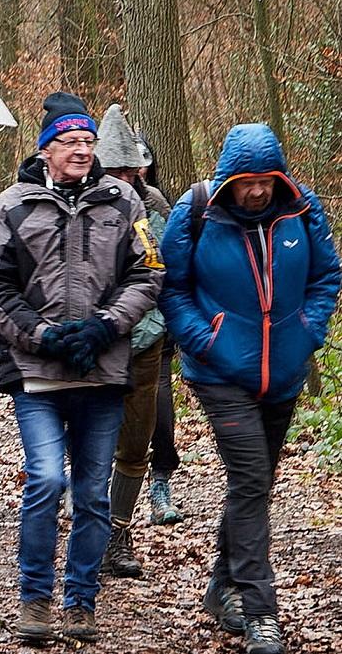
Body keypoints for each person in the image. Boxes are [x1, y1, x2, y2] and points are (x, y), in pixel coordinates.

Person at [0, 92, 163, 645]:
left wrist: (107, 325)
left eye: (87, 141)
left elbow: (149, 273)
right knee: (46, 480)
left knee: (93, 493)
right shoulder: (12, 204)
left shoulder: (124, 201)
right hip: (38, 373)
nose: (81, 150)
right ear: (46, 150)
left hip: (102, 372)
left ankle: (81, 601)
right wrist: (42, 335)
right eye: (70, 142)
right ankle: (34, 599)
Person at [160, 123, 339, 654]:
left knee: (253, 487)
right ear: (227, 180)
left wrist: (309, 330)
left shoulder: (302, 210)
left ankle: (220, 585)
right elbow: (172, 287)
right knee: (250, 476)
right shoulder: (196, 214)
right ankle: (261, 611)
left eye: (265, 180)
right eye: (245, 181)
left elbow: (327, 276)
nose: (256, 190)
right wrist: (205, 341)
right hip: (221, 373)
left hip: (282, 372)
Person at [91, 105, 170, 579]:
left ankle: (118, 533)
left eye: (128, 169)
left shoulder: (154, 205)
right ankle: (92, 524)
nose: (122, 177)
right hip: (99, 343)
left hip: (145, 343)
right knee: (92, 443)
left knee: (136, 444)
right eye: (113, 168)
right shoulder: (86, 203)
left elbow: (161, 269)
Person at [138, 132, 185, 526]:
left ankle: (160, 481)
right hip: (111, 329)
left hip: (156, 328)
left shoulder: (157, 204)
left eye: (141, 161)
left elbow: (169, 265)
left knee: (161, 410)